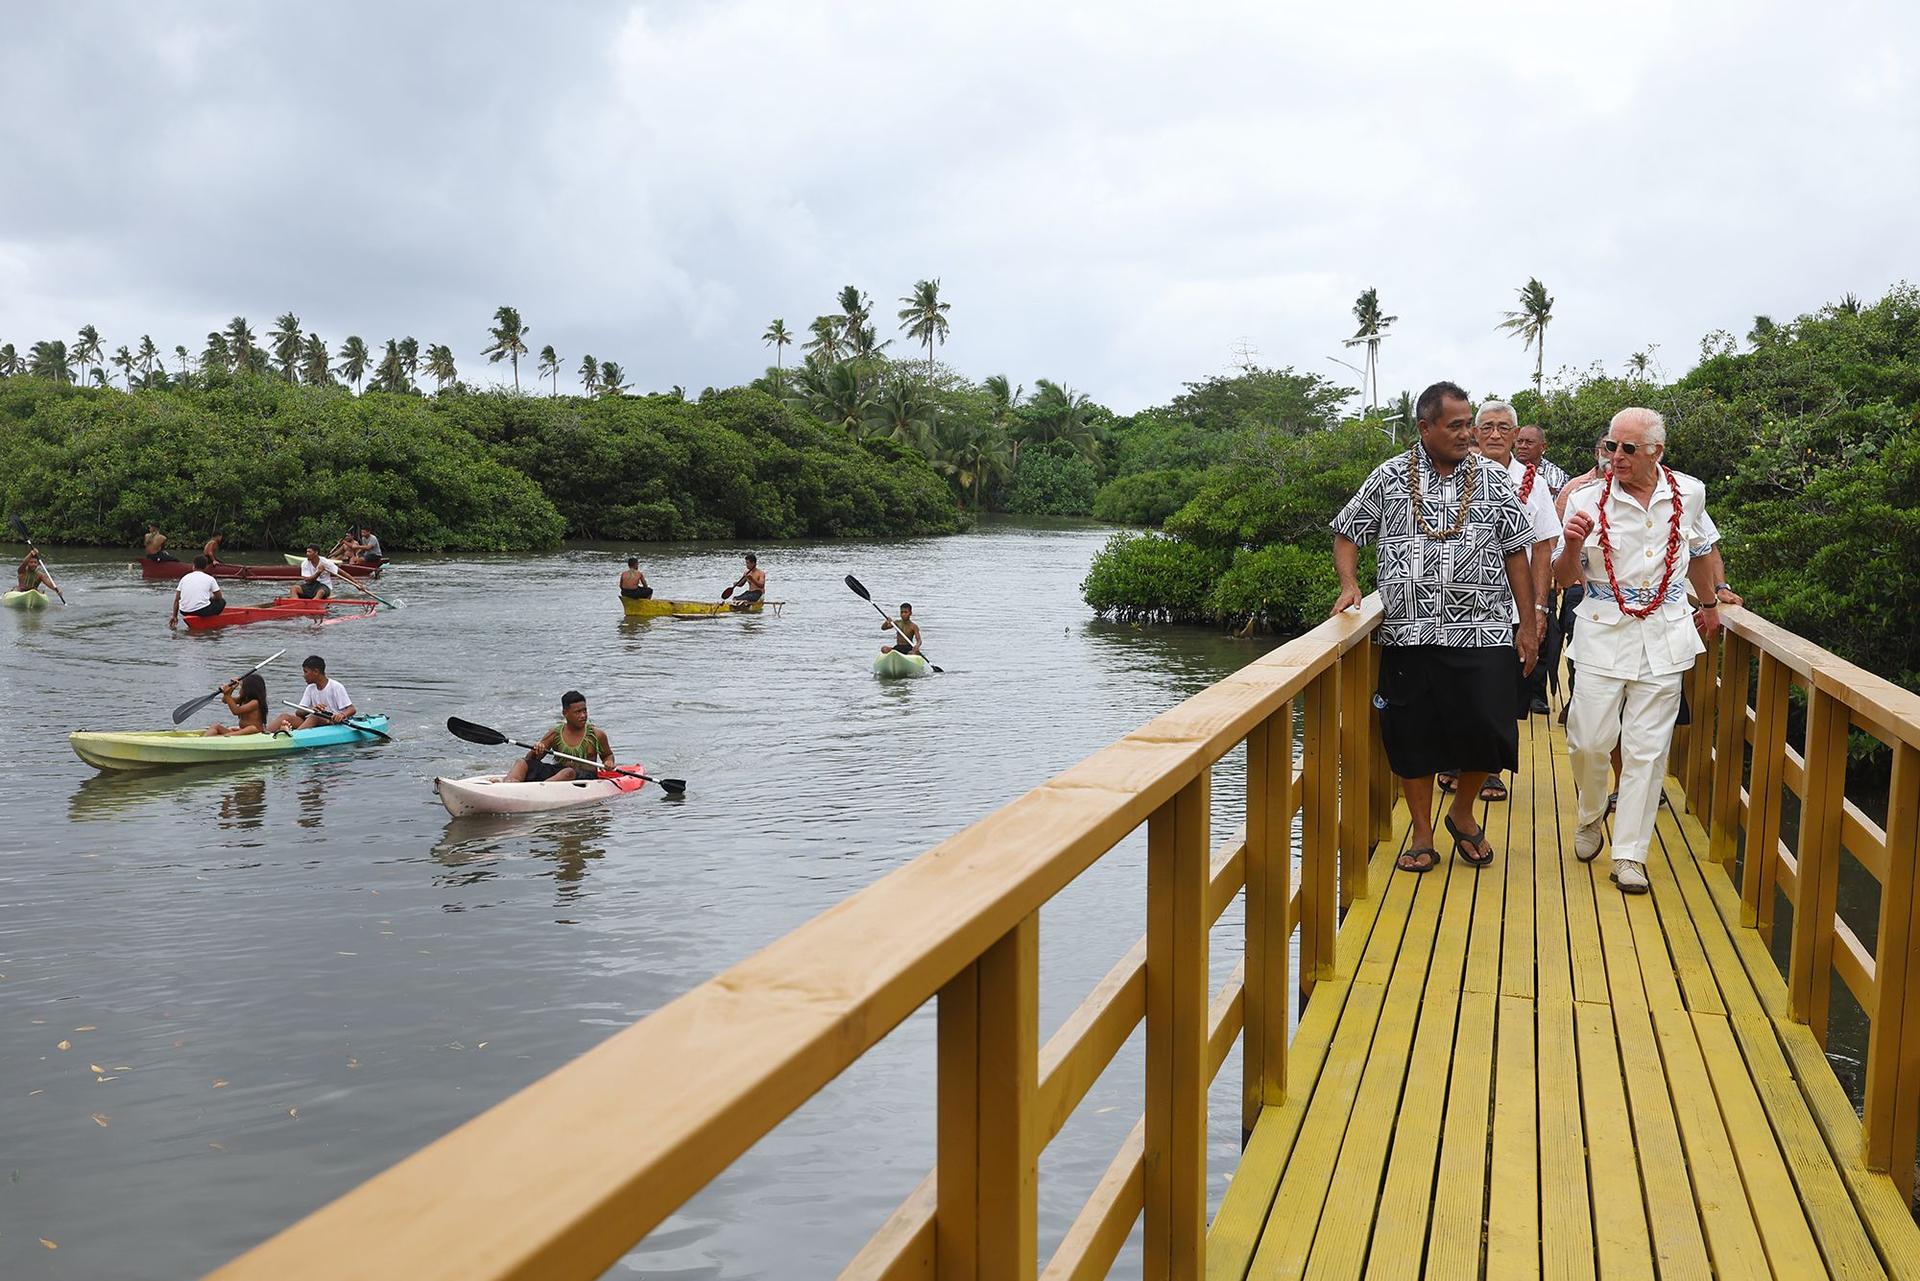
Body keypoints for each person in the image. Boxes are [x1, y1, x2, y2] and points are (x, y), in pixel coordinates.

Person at [1330, 380, 1537, 874]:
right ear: (1425, 427)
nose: (1468, 433)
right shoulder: (1388, 476)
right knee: (1412, 735)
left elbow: (1516, 553)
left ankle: (1462, 812)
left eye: (1470, 423)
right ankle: (1422, 833)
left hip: (1484, 631)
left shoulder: (1491, 479)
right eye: (1457, 425)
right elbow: (1347, 531)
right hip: (1409, 633)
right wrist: (1349, 584)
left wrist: (1528, 624)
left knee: (1490, 729)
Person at [1556, 408, 1724, 895]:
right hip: (1604, 629)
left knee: (1646, 751)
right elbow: (1565, 577)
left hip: (1666, 634)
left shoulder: (1689, 493)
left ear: (1656, 451)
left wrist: (1711, 602)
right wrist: (1570, 546)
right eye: (1611, 446)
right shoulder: (1585, 499)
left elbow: (1696, 551)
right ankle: (1590, 815)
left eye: (1629, 449)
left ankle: (1630, 853)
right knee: (1588, 740)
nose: (1617, 457)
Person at [1477, 402, 1561, 720]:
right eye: (1487, 427)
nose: (1495, 434)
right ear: (1475, 433)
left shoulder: (1535, 485)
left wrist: (1539, 609)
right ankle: (1457, 767)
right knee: (1464, 691)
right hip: (1465, 608)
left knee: (1507, 694)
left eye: (1503, 428)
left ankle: (1491, 768)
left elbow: (1542, 548)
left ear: (1514, 435)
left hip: (1514, 607)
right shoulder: (1455, 477)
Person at [505, 690, 617, 783]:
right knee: (521, 762)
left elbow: (608, 755)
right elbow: (532, 759)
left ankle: (540, 789)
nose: (583, 715)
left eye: (584, 710)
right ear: (565, 713)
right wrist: (537, 750)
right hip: (559, 773)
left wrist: (609, 762)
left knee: (568, 772)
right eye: (577, 712)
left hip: (585, 777)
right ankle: (509, 784)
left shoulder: (597, 734)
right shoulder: (555, 733)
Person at [264, 655, 357, 732]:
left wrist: (342, 715)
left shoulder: (336, 686)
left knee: (315, 717)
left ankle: (293, 737)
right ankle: (264, 735)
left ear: (316, 672)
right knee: (285, 716)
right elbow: (299, 713)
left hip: (333, 722)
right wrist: (311, 709)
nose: (303, 675)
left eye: (306, 672)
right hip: (316, 721)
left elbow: (352, 709)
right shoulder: (310, 688)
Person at [202, 672, 268, 736]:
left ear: (249, 689)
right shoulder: (243, 699)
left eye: (242, 688)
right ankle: (204, 740)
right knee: (216, 726)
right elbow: (225, 700)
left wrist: (227, 694)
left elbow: (236, 711)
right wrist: (231, 688)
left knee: (251, 728)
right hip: (242, 731)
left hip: (254, 732)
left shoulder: (255, 703)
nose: (240, 690)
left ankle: (221, 737)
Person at [169, 554, 226, 627]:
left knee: (208, 602)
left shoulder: (184, 578)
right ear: (206, 567)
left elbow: (177, 599)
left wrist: (174, 616)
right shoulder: (210, 578)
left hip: (184, 611)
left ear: (193, 566)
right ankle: (210, 622)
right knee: (222, 602)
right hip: (201, 611)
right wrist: (211, 598)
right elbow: (219, 597)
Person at [1514, 425, 1570, 496]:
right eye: (1519, 441)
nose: (1522, 446)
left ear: (1542, 447)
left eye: (1529, 442)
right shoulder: (1504, 470)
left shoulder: (1556, 478)